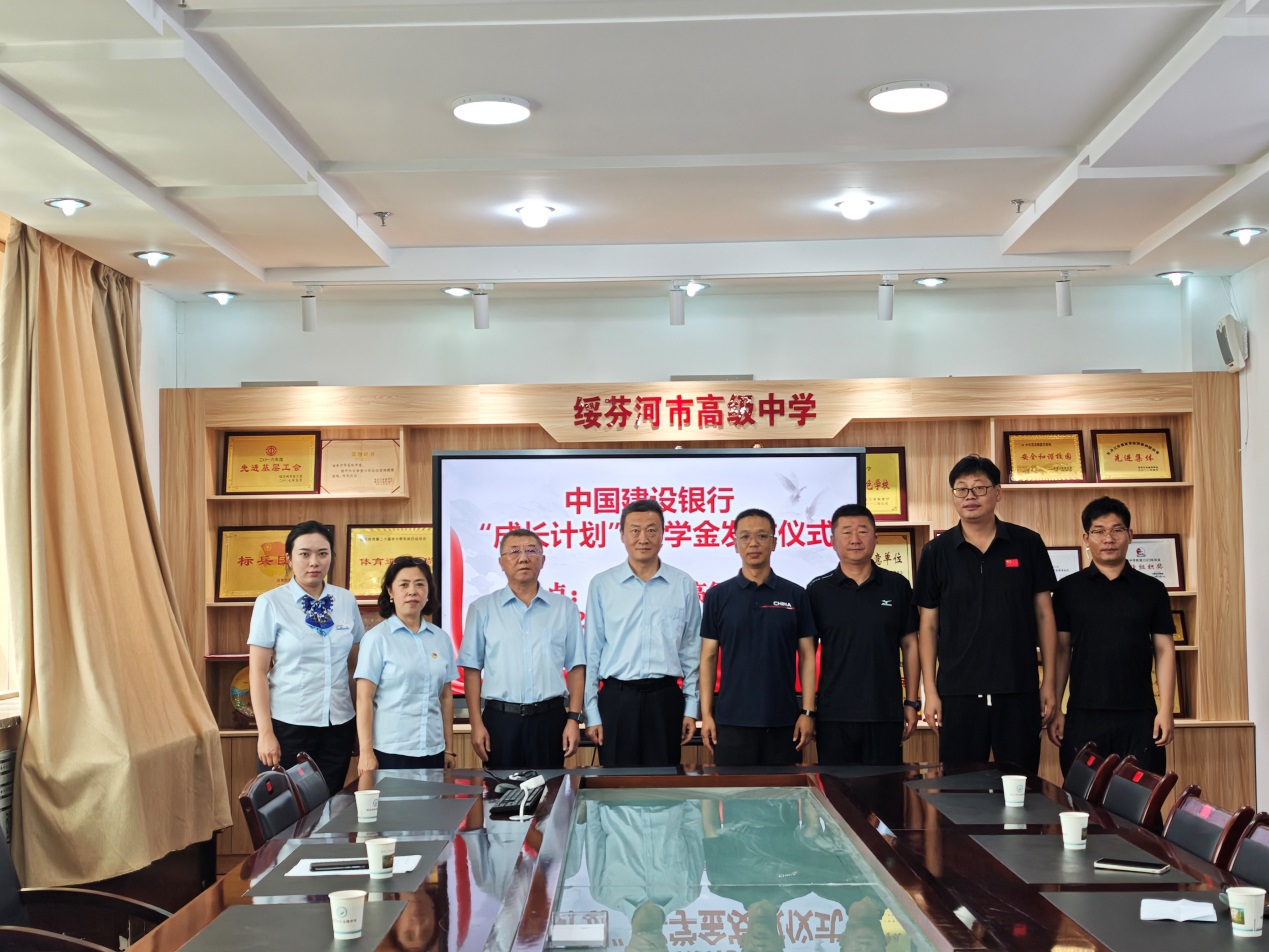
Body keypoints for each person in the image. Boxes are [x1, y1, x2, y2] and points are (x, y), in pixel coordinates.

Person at [913, 455, 1058, 775]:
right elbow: (929, 625)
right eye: (961, 489)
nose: (970, 496)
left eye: (979, 488)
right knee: (959, 787)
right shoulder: (936, 552)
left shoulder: (1027, 543)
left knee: (1021, 785)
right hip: (957, 692)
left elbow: (1044, 615)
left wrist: (1048, 682)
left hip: (1017, 687)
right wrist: (930, 691)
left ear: (998, 492)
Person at [1047, 496, 1176, 775]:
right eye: (1099, 531)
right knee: (1082, 798)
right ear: (1086, 538)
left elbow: (1164, 650)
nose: (1108, 538)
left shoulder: (1152, 589)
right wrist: (1056, 709)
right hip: (1083, 715)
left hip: (1140, 716)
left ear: (1130, 535)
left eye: (1117, 530)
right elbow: (1061, 651)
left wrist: (1166, 709)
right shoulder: (1068, 590)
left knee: (1141, 798)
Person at [248, 520, 364, 796]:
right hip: (289, 725)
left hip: (338, 725)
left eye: (323, 553)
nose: (314, 562)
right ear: (289, 559)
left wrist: (360, 728)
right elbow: (257, 672)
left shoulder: (346, 600)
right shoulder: (271, 602)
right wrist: (265, 732)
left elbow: (354, 669)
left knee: (331, 805)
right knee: (287, 808)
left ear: (332, 557)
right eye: (304, 554)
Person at [584, 498, 701, 767]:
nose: (643, 538)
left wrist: (691, 708)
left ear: (663, 534)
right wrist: (591, 712)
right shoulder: (602, 584)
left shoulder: (683, 584)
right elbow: (592, 651)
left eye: (651, 530)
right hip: (617, 699)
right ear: (622, 535)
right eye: (635, 530)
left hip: (665, 699)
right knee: (616, 785)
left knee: (663, 784)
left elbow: (691, 651)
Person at [457, 528, 585, 769]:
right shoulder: (482, 609)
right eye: (514, 552)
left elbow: (577, 667)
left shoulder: (564, 608)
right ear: (501, 563)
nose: (523, 558)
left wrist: (573, 719)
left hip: (550, 720)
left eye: (531, 551)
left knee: (549, 790)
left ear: (542, 560)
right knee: (500, 790)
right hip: (500, 721)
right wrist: (476, 723)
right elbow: (472, 670)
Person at [699, 508, 817, 766]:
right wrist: (706, 714)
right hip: (731, 721)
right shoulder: (717, 596)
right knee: (735, 791)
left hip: (784, 721)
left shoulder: (795, 595)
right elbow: (708, 657)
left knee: (783, 792)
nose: (753, 543)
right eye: (745, 536)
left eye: (762, 536)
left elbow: (808, 656)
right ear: (735, 544)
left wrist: (807, 711)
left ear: (774, 542)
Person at [807, 503, 920, 765]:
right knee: (836, 788)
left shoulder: (897, 585)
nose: (855, 539)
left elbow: (910, 645)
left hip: (885, 711)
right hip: (834, 715)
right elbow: (807, 654)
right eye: (846, 532)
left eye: (863, 531)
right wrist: (809, 710)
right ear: (832, 541)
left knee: (886, 787)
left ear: (875, 538)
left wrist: (912, 702)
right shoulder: (817, 590)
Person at [354, 556, 458, 771]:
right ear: (390, 592)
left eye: (420, 584)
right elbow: (364, 698)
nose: (412, 591)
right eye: (404, 585)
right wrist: (366, 752)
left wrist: (448, 748)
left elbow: (446, 697)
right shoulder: (377, 638)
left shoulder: (441, 638)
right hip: (391, 750)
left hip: (433, 748)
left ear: (428, 592)